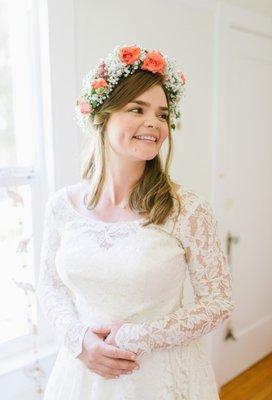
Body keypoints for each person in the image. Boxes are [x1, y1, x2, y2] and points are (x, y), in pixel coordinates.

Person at [36, 43, 235, 399]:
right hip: (83, 374)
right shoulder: (61, 207)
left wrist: (136, 337)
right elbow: (50, 286)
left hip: (161, 378)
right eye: (137, 109)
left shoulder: (185, 210)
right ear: (102, 117)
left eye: (161, 114)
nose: (153, 124)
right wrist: (79, 340)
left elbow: (218, 301)